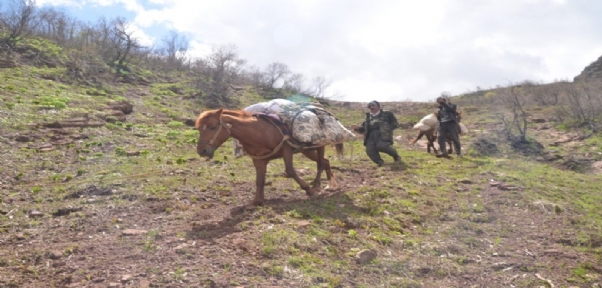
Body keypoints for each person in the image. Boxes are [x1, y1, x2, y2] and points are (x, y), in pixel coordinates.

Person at [351, 100, 401, 167]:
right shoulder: (368, 117)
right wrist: (357, 128)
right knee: (370, 150)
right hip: (370, 135)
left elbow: (395, 123)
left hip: (383, 134)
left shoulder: (387, 113)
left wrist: (388, 129)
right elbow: (363, 129)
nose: (372, 107)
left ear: (378, 106)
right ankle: (380, 163)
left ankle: (396, 156)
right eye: (370, 106)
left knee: (382, 146)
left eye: (373, 105)